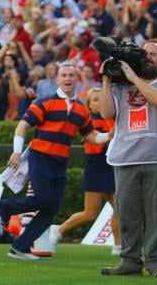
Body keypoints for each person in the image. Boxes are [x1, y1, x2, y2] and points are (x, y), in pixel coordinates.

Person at [0, 63, 110, 260]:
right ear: (57, 79)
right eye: (64, 75)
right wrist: (16, 152)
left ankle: (19, 248)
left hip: (60, 162)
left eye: (71, 75)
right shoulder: (44, 102)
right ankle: (4, 208)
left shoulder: (82, 110)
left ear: (76, 80)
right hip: (40, 157)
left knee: (51, 209)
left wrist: (109, 136)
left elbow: (91, 136)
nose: (68, 78)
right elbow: (23, 125)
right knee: (43, 200)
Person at [100, 40, 157, 277]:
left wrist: (134, 78)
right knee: (127, 213)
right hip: (125, 157)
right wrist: (106, 79)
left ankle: (155, 262)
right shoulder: (120, 86)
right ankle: (130, 262)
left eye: (154, 54)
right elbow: (106, 113)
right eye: (144, 53)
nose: (148, 57)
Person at [49, 87, 120, 255]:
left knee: (120, 209)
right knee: (90, 213)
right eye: (95, 100)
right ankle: (58, 230)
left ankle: (119, 246)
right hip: (96, 166)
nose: (99, 102)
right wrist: (111, 137)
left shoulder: (111, 119)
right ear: (89, 105)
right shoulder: (91, 122)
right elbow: (96, 147)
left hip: (109, 166)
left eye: (101, 99)